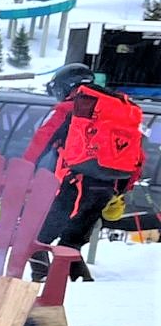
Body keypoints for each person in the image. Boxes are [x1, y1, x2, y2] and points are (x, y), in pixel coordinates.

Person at [24, 63, 149, 280]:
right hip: (108, 183)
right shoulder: (119, 109)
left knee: (38, 237)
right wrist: (121, 189)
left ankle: (40, 282)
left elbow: (41, 140)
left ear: (65, 87)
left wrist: (24, 170)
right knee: (73, 239)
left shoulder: (69, 108)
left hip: (75, 181)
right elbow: (137, 153)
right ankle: (80, 284)